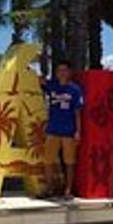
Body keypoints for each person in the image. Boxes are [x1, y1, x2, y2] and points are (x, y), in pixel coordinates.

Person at [43, 60, 83, 199]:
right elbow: (39, 81)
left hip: (68, 130)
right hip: (52, 129)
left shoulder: (75, 90)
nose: (62, 73)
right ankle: (49, 188)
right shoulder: (52, 86)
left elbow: (77, 112)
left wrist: (78, 131)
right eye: (59, 70)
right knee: (48, 160)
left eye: (64, 70)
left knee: (69, 162)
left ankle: (68, 190)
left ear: (70, 72)